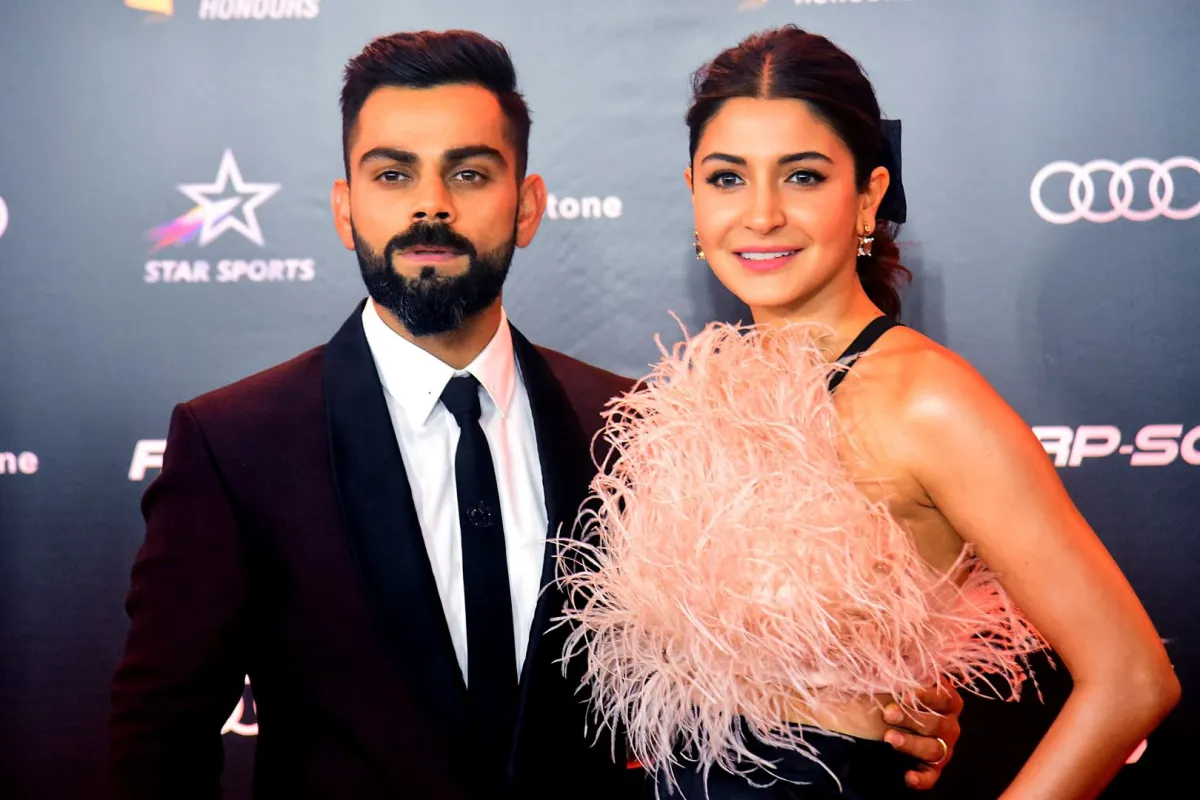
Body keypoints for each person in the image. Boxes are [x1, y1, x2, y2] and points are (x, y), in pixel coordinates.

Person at [108, 29, 961, 800]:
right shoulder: (235, 446)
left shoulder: (638, 429)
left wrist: (880, 709)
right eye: (393, 173)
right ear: (344, 210)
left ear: (527, 205)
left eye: (470, 172)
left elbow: (717, 683)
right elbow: (159, 747)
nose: (430, 204)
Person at [558, 25, 1181, 800]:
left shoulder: (927, 401)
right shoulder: (692, 391)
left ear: (869, 195)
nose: (759, 215)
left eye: (802, 177)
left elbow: (1129, 678)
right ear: (692, 195)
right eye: (727, 179)